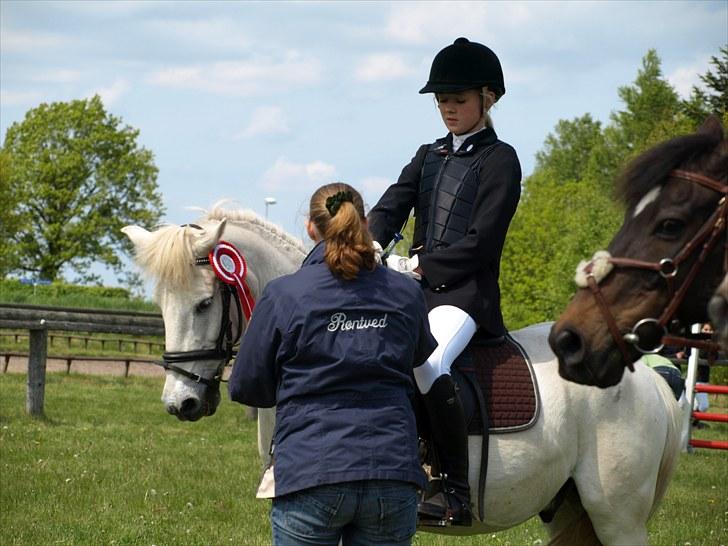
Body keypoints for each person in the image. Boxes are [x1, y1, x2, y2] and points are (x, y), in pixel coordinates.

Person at [228, 183, 438, 546]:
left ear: (311, 227)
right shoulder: (406, 293)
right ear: (364, 222)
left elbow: (248, 386)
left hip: (311, 471)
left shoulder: (283, 295)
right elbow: (420, 358)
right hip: (391, 470)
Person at [368, 37, 522, 526]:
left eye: (457, 101)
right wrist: (370, 243)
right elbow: (392, 204)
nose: (448, 110)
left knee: (429, 362)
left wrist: (419, 268)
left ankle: (455, 491)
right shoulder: (428, 155)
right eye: (441, 102)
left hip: (464, 295)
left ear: (487, 98)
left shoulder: (501, 160)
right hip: (414, 290)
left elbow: (483, 242)